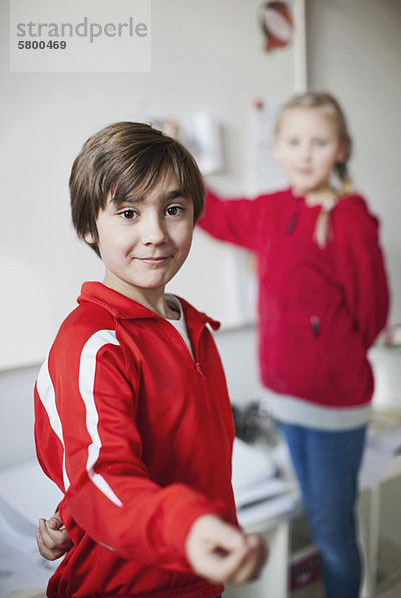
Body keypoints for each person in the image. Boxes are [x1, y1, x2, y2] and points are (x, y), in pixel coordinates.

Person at [33, 121, 267, 598]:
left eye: (173, 209)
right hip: (124, 587)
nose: (156, 233)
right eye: (128, 212)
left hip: (197, 579)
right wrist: (183, 529)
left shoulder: (194, 327)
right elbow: (102, 473)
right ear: (88, 226)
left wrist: (70, 510)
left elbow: (136, 452)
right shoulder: (92, 342)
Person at [196, 92, 390, 598]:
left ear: (340, 150)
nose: (305, 154)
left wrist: (327, 353)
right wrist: (176, 155)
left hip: (333, 408)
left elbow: (372, 316)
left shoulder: (349, 218)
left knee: (331, 533)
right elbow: (215, 215)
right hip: (285, 400)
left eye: (319, 142)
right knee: (312, 511)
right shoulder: (270, 210)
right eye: (294, 141)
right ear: (277, 148)